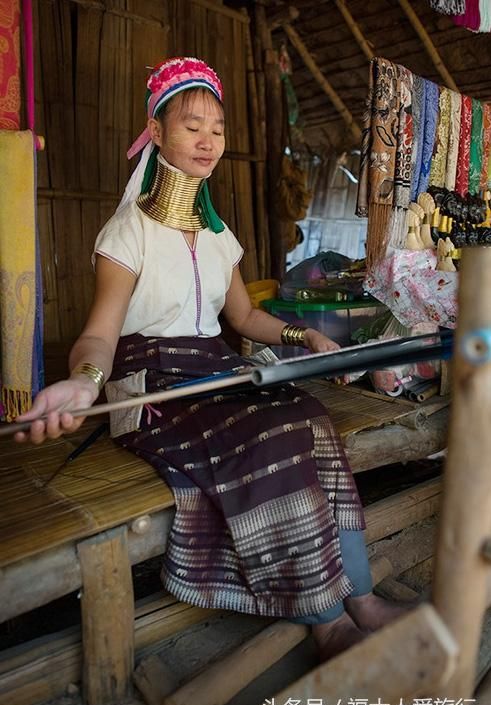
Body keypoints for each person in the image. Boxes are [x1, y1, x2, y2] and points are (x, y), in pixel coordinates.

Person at [16, 57, 405, 661]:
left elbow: (244, 319)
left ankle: (362, 594)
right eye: (191, 124)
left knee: (306, 412)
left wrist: (307, 339)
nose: (208, 139)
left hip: (214, 370)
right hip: (151, 387)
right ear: (158, 130)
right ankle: (327, 619)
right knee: (274, 430)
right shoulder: (128, 233)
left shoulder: (220, 236)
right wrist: (85, 382)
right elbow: (99, 335)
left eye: (217, 127)